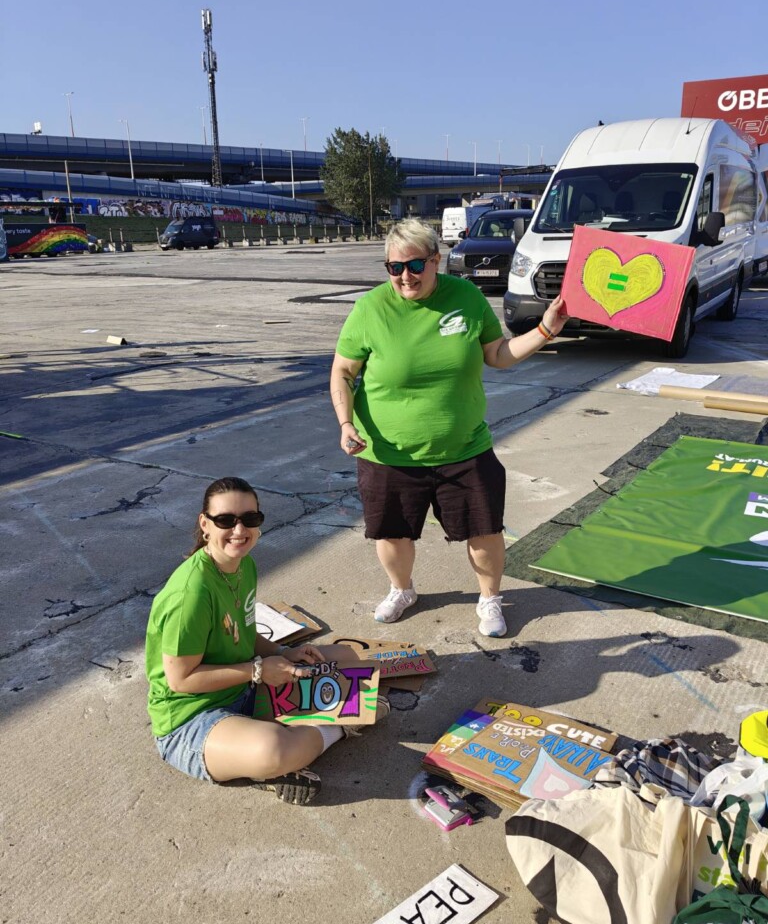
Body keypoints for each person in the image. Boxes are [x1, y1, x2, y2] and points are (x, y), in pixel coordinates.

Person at [329, 218, 567, 638]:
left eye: (416, 265)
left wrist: (546, 329)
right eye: (395, 267)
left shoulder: (467, 297)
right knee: (393, 533)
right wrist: (346, 423)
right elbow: (344, 372)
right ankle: (402, 590)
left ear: (437, 261)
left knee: (484, 530)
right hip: (388, 453)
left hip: (465, 448)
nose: (406, 276)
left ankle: (490, 598)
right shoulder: (370, 309)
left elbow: (497, 353)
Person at [145, 476, 387, 805]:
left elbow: (243, 630)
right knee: (274, 749)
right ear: (205, 524)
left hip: (244, 688)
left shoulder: (243, 566)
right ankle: (337, 729)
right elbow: (181, 679)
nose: (239, 530)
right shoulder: (191, 592)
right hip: (191, 719)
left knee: (348, 658)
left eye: (250, 519)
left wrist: (286, 653)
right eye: (225, 520)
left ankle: (303, 733)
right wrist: (258, 671)